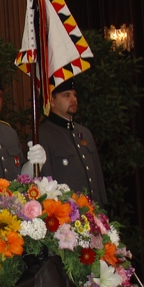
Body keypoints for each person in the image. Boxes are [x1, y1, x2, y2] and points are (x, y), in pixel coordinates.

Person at [37, 78, 108, 206]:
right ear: (51, 101)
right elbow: (45, 184)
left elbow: (97, 175)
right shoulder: (42, 135)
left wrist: (102, 205)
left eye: (74, 95)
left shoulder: (84, 132)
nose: (73, 99)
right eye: (66, 95)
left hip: (93, 210)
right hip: (67, 215)